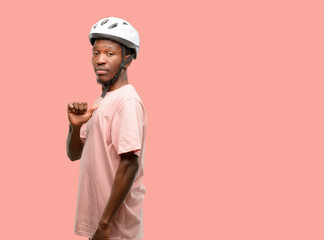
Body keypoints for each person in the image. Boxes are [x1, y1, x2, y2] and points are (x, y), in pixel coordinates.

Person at [66, 17, 147, 240]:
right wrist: (74, 127)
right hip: (100, 222)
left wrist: (104, 224)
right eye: (95, 53)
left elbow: (130, 164)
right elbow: (74, 154)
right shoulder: (102, 100)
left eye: (109, 54)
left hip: (115, 228)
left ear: (127, 60)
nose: (100, 60)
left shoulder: (127, 101)